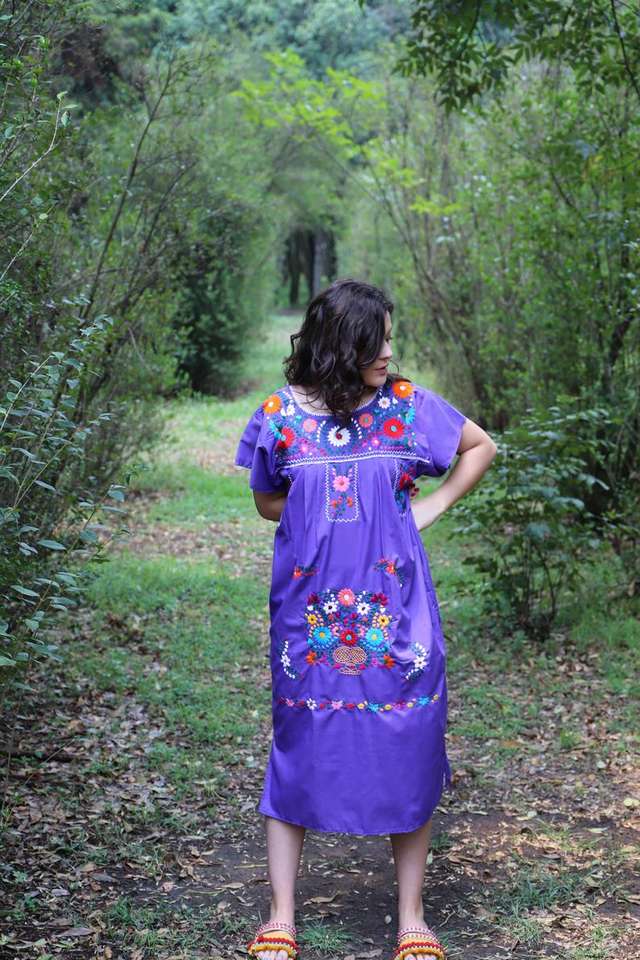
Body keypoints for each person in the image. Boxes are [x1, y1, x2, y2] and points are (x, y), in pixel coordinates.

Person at [234, 278, 497, 960]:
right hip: (310, 619)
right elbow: (267, 500)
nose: (387, 352)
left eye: (388, 339)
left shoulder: (406, 406)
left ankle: (412, 916)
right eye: (373, 340)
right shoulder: (280, 416)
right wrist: (321, 500)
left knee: (408, 742)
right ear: (338, 344)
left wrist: (431, 507)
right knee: (298, 746)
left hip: (396, 616)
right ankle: (281, 915)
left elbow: (480, 447)